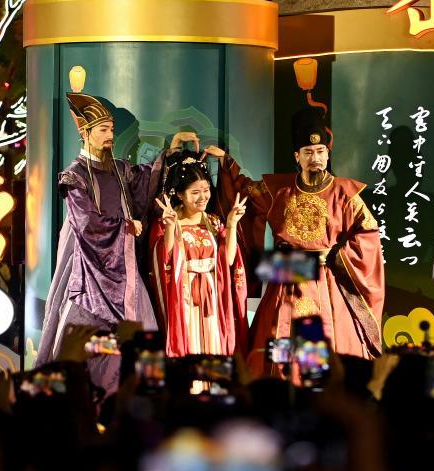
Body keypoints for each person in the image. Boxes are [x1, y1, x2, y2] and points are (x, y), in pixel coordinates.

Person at [36, 90, 199, 395]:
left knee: (139, 339)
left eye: (111, 129)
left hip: (125, 267)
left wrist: (171, 152)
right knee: (87, 346)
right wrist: (126, 227)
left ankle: (136, 401)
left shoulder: (121, 169)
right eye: (103, 130)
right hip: (89, 269)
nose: (110, 135)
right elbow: (86, 223)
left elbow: (146, 184)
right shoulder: (74, 176)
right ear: (86, 133)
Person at [210, 108, 385, 374]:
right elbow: (243, 192)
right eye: (308, 152)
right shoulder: (278, 191)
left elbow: (368, 233)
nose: (315, 159)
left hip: (327, 279)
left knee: (325, 341)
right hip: (287, 273)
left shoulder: (344, 194)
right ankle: (281, 389)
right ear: (297, 156)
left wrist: (337, 256)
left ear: (328, 154)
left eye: (320, 152)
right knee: (279, 340)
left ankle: (322, 390)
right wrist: (226, 164)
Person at [148, 154, 249, 356]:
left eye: (206, 190)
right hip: (184, 296)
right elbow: (166, 260)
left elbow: (229, 260)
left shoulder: (214, 222)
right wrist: (170, 228)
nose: (203, 197)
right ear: (180, 194)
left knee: (213, 343)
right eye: (195, 192)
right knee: (190, 343)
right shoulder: (167, 223)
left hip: (213, 294)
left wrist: (231, 224)